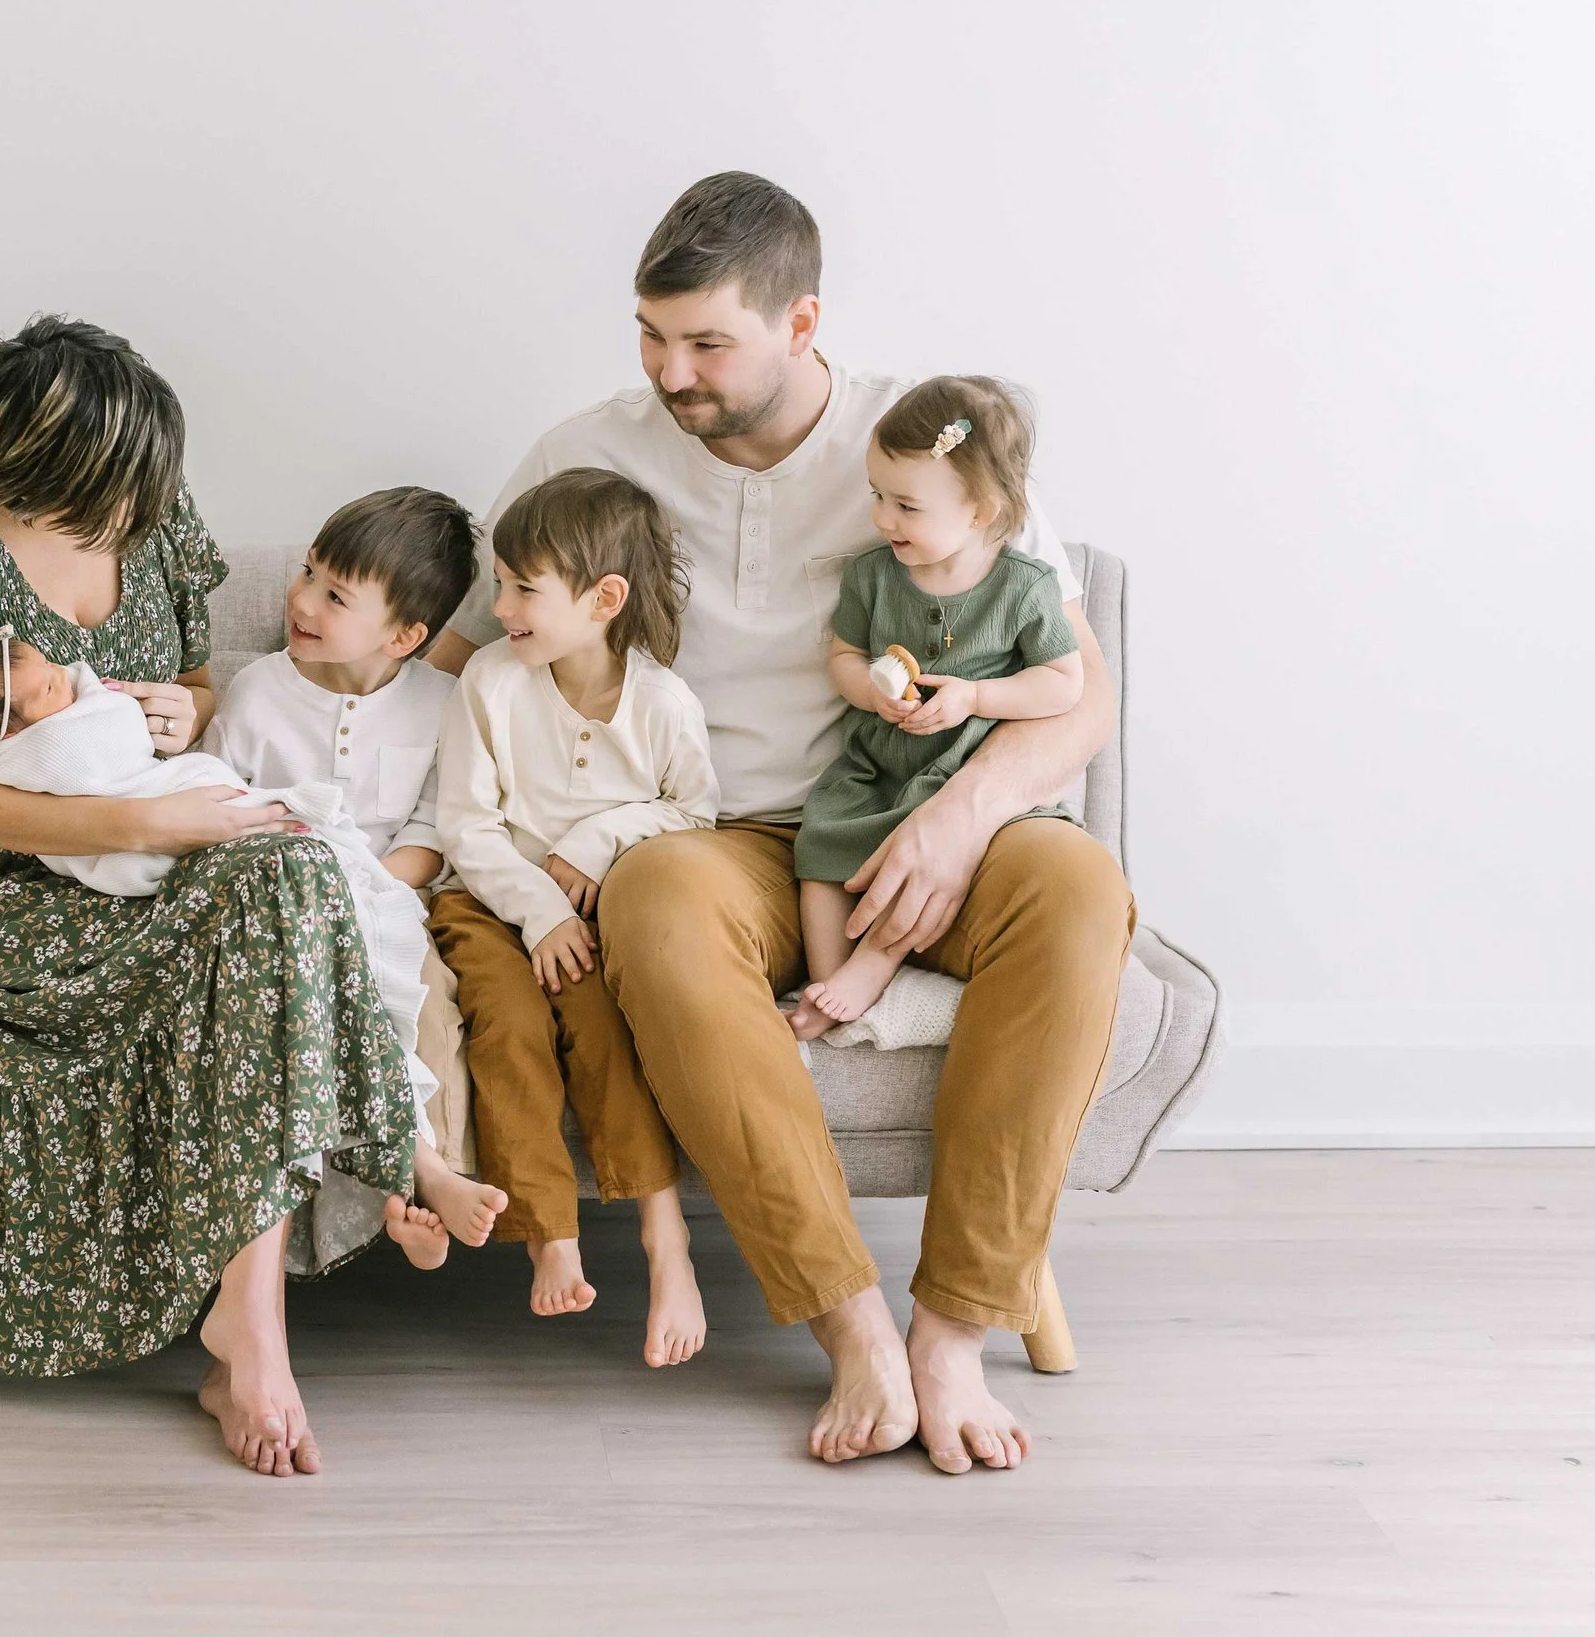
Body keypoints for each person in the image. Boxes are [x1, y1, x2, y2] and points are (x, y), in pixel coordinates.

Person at [426, 174, 1136, 1473]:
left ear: (803, 323)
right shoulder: (586, 453)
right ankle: (852, 1321)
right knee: (649, 895)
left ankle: (955, 1332)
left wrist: (966, 816)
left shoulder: (929, 444)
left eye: (708, 343)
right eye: (652, 335)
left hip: (924, 805)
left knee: (1081, 890)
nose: (671, 371)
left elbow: (1081, 700)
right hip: (717, 835)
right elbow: (468, 650)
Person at [0, 314, 414, 1480]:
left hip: (155, 850)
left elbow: (199, 679)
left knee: (292, 866)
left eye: (135, 504)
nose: (128, 526)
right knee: (266, 893)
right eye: (101, 510)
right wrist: (145, 819)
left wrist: (183, 713)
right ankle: (254, 1322)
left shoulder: (147, 502)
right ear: (19, 476)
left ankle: (243, 1318)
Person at [0, 623, 466, 1269]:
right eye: (47, 685)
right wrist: (122, 722)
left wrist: (170, 712)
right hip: (156, 860)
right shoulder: (44, 748)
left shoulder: (434, 697)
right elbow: (109, 747)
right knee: (342, 960)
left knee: (351, 976)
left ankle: (417, 1165)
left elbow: (184, 704)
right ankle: (412, 1165)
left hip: (217, 835)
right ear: (12, 733)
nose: (67, 676)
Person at [430, 467, 721, 1368]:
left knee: (604, 1029)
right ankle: (550, 1232)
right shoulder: (490, 681)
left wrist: (597, 842)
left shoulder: (664, 704)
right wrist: (541, 907)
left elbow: (696, 815)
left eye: (523, 588)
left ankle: (663, 1240)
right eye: (500, 580)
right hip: (486, 901)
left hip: (586, 922)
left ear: (603, 600)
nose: (500, 603)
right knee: (508, 1029)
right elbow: (465, 826)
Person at [202, 487, 514, 1263]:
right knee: (322, 1001)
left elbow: (433, 828)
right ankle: (418, 1178)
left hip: (391, 898)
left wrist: (371, 884)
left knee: (427, 1003)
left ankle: (428, 1182)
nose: (301, 599)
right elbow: (212, 807)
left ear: (407, 635)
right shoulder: (257, 694)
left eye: (334, 594)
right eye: (308, 572)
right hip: (282, 907)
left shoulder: (445, 702)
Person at [787, 376, 1083, 1036]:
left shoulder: (1023, 587)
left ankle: (875, 964)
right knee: (822, 842)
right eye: (877, 496)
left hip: (959, 766)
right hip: (879, 762)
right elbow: (843, 657)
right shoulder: (872, 575)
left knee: (918, 857)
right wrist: (870, 690)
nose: (882, 518)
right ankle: (829, 979)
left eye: (906, 506)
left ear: (980, 510)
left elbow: (1063, 683)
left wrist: (975, 696)